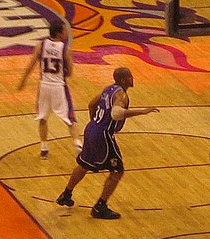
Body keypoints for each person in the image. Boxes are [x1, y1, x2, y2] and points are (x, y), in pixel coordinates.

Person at [56, 68, 158, 219]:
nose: (133, 78)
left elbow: (91, 104)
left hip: (91, 129)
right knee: (117, 170)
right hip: (103, 134)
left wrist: (95, 123)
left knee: (84, 164)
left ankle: (66, 194)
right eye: (130, 76)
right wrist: (142, 112)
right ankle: (100, 207)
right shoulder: (121, 95)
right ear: (124, 80)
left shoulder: (108, 89)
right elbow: (116, 113)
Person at [18, 18, 78, 157]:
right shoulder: (65, 49)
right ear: (59, 33)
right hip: (59, 86)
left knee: (43, 117)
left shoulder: (40, 45)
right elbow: (70, 72)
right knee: (70, 118)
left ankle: (44, 148)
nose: (67, 33)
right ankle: (77, 144)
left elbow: (31, 65)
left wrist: (23, 81)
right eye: (64, 31)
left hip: (44, 85)